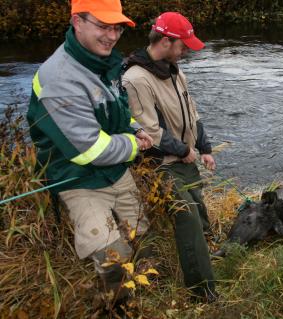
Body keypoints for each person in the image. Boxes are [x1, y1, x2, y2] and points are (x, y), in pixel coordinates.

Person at [26, 0, 153, 305]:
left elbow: (117, 111)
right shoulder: (59, 79)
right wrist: (136, 145)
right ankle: (119, 307)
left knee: (142, 234)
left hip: (115, 168)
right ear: (77, 21)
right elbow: (91, 151)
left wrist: (134, 128)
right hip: (76, 177)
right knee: (112, 255)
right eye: (102, 26)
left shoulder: (104, 61)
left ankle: (148, 288)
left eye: (117, 27)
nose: (111, 36)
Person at [122, 12, 217, 302]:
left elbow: (193, 114)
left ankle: (210, 251)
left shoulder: (176, 70)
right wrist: (184, 150)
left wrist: (204, 148)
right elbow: (151, 132)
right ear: (165, 41)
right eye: (183, 45)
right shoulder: (135, 79)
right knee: (186, 215)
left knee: (198, 208)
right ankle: (203, 292)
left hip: (185, 160)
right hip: (158, 166)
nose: (187, 50)